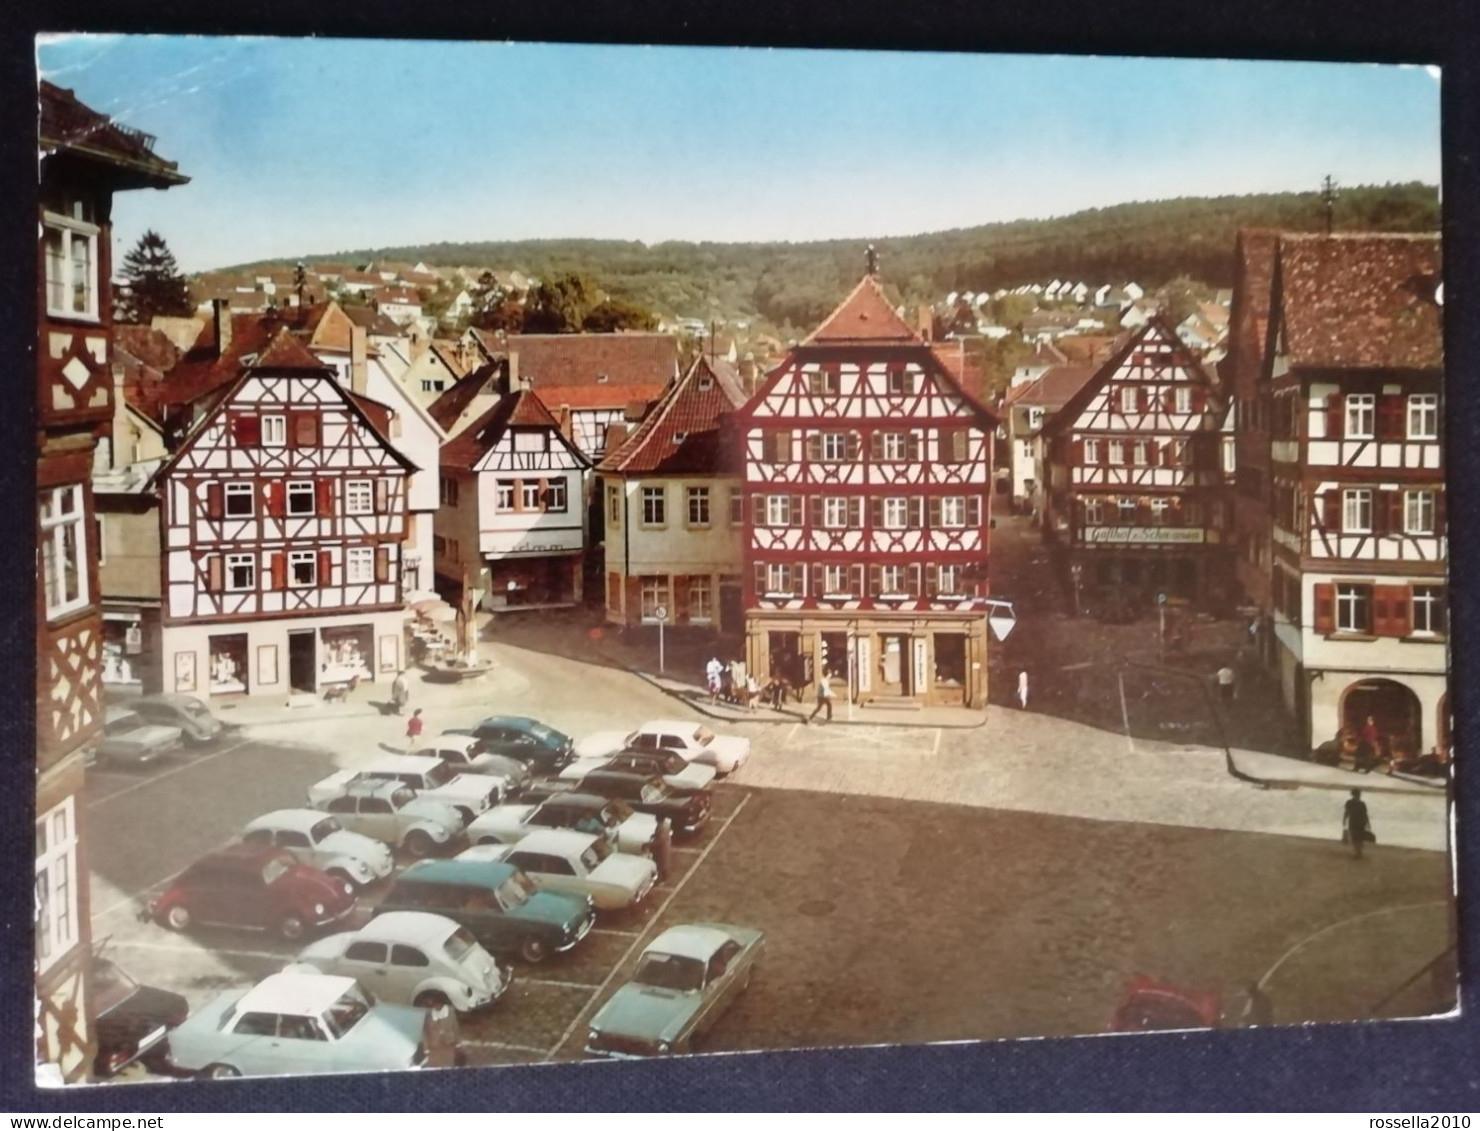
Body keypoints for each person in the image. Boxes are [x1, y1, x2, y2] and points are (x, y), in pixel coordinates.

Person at [1343, 788, 1373, 859]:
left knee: (1354, 838)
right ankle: (1359, 852)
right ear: (1359, 795)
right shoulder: (1362, 804)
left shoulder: (1349, 802)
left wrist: (1344, 820)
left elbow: (1346, 812)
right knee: (1360, 838)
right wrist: (1368, 823)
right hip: (1361, 822)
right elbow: (1365, 814)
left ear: (1352, 794)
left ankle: (1356, 853)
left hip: (1353, 822)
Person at [652, 817, 673, 882]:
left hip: (662, 847)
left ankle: (664, 879)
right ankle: (664, 877)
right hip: (666, 845)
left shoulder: (660, 826)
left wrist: (650, 845)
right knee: (663, 862)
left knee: (662, 863)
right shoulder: (666, 824)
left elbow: (660, 840)